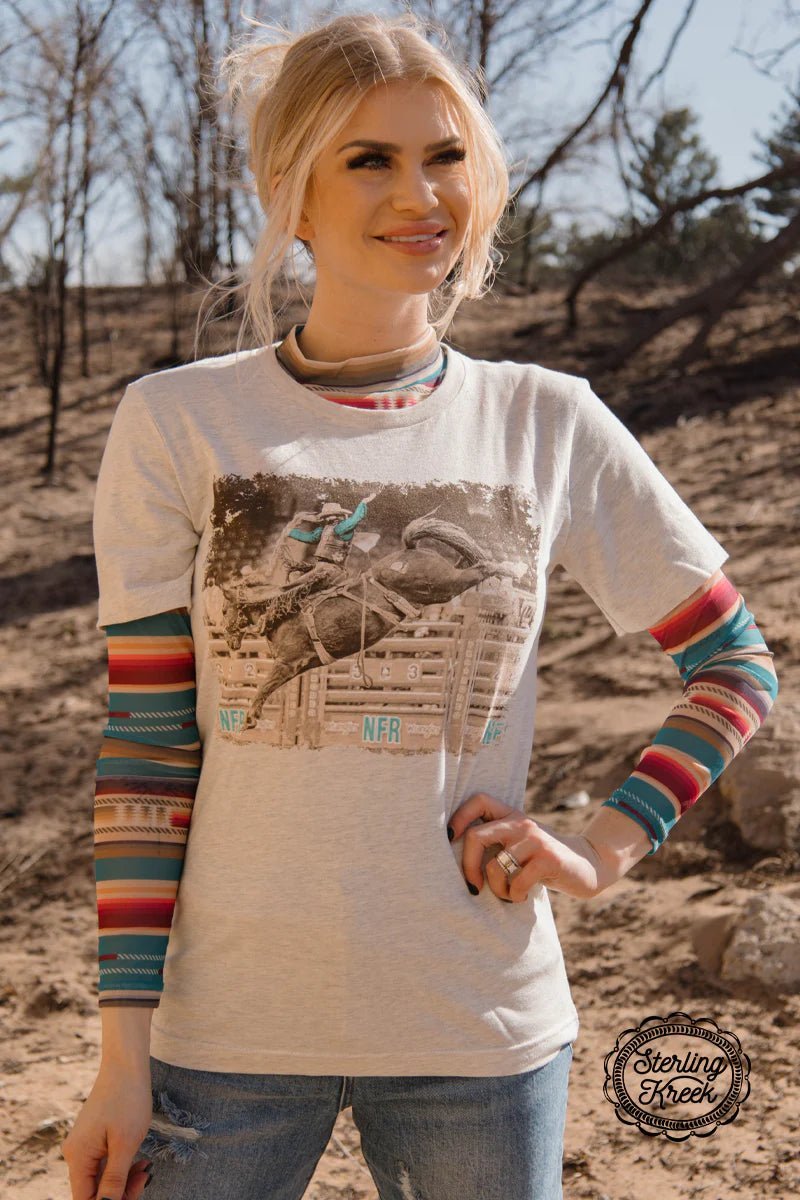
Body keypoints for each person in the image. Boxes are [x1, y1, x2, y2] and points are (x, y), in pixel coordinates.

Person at [61, 11, 779, 1200]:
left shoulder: (546, 420)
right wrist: (119, 1060)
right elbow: (146, 752)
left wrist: (603, 847)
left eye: (445, 156)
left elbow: (734, 664)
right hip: (223, 1036)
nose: (419, 194)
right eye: (368, 160)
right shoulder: (178, 422)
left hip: (476, 1031)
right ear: (289, 194)